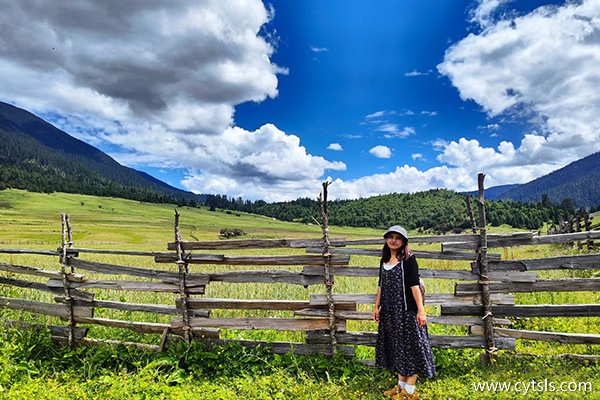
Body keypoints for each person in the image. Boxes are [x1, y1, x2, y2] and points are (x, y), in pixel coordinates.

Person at [373, 225, 435, 400]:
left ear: (403, 242)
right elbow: (381, 285)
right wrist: (376, 306)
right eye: (390, 237)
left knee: (412, 349)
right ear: (386, 239)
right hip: (390, 313)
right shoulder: (384, 260)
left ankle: (409, 392)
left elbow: (414, 285)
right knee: (399, 349)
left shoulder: (408, 259)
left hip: (407, 312)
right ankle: (400, 387)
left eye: (398, 238)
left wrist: (421, 311)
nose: (393, 240)